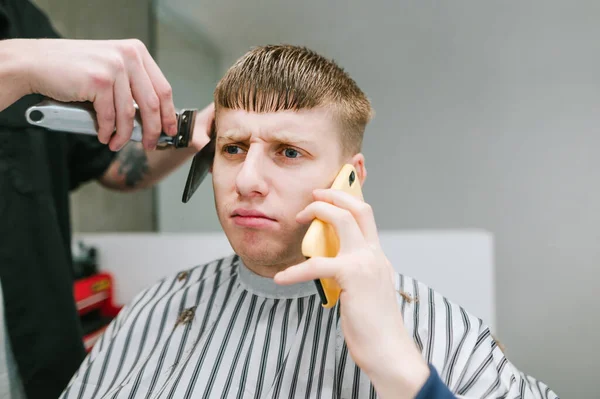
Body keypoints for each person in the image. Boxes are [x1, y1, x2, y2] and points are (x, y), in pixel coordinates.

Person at [58, 44, 559, 399]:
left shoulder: (435, 328)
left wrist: (402, 374)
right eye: (232, 148)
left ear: (350, 177)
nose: (246, 179)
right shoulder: (158, 307)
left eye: (289, 152)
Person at [0, 1, 214, 398]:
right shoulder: (28, 51)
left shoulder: (26, 21)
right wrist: (18, 64)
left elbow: (116, 164)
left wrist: (195, 130)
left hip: (38, 359)